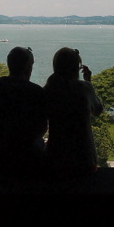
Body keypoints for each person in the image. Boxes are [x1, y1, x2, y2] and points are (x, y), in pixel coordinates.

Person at [0, 46, 47, 181]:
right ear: (28, 66)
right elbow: (41, 129)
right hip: (27, 159)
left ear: (9, 64)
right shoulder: (36, 91)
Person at [44, 47, 103, 179]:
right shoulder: (84, 88)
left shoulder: (49, 90)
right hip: (85, 159)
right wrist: (88, 81)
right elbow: (98, 110)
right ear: (76, 67)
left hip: (56, 158)